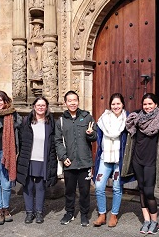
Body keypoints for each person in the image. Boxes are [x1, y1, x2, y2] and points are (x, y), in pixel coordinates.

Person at [121, 93, 159, 235]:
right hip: (137, 160)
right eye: (145, 104)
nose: (147, 107)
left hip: (151, 161)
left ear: (155, 105)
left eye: (150, 104)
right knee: (141, 190)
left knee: (149, 191)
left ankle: (155, 222)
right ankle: (146, 220)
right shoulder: (136, 119)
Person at [55, 90, 97, 226]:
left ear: (78, 101)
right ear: (65, 103)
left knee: (85, 190)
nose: (72, 103)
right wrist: (63, 156)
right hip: (69, 161)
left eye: (75, 100)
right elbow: (58, 141)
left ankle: (84, 214)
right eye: (70, 100)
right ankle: (69, 213)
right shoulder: (61, 121)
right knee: (69, 190)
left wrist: (90, 134)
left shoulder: (87, 117)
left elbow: (95, 136)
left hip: (84, 161)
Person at [16, 97, 58, 224]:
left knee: (40, 186)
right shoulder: (26, 122)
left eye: (43, 105)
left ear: (46, 107)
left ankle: (39, 212)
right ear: (34, 106)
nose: (40, 107)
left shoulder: (51, 123)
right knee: (27, 185)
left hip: (43, 159)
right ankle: (29, 212)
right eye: (38, 105)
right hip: (29, 158)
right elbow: (20, 140)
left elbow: (54, 141)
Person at [92, 93, 128, 228]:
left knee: (117, 187)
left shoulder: (127, 119)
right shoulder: (103, 119)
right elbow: (98, 136)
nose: (116, 106)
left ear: (123, 104)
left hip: (119, 160)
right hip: (105, 158)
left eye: (118, 103)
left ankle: (114, 214)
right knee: (99, 185)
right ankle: (102, 214)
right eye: (113, 104)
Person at [0, 91, 22, 225]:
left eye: (0, 100)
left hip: (9, 153)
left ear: (6, 101)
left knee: (7, 183)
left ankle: (6, 209)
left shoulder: (14, 116)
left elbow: (20, 132)